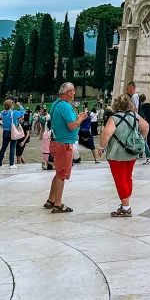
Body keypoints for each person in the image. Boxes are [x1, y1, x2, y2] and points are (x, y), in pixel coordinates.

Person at [98, 94, 149, 217]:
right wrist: (140, 139)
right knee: (127, 177)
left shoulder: (114, 119)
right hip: (131, 152)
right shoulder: (135, 116)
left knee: (120, 179)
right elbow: (146, 126)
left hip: (116, 153)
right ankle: (125, 203)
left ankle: (126, 207)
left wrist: (101, 147)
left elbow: (106, 133)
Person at [44, 82, 89, 213]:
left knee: (58, 172)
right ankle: (57, 204)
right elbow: (72, 125)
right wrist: (81, 118)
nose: (74, 93)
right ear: (68, 92)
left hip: (56, 141)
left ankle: (51, 199)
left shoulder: (56, 103)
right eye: (73, 91)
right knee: (62, 174)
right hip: (63, 144)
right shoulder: (65, 106)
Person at [0, 98, 25, 168]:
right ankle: (11, 163)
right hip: (13, 131)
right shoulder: (13, 113)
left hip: (5, 132)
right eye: (12, 104)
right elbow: (23, 111)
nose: (13, 106)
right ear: (10, 105)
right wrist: (20, 105)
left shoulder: (3, 113)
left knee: (3, 148)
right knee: (12, 147)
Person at [138, 93, 150, 163]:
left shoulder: (141, 107)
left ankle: (141, 154)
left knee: (143, 138)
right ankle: (149, 153)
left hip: (144, 124)